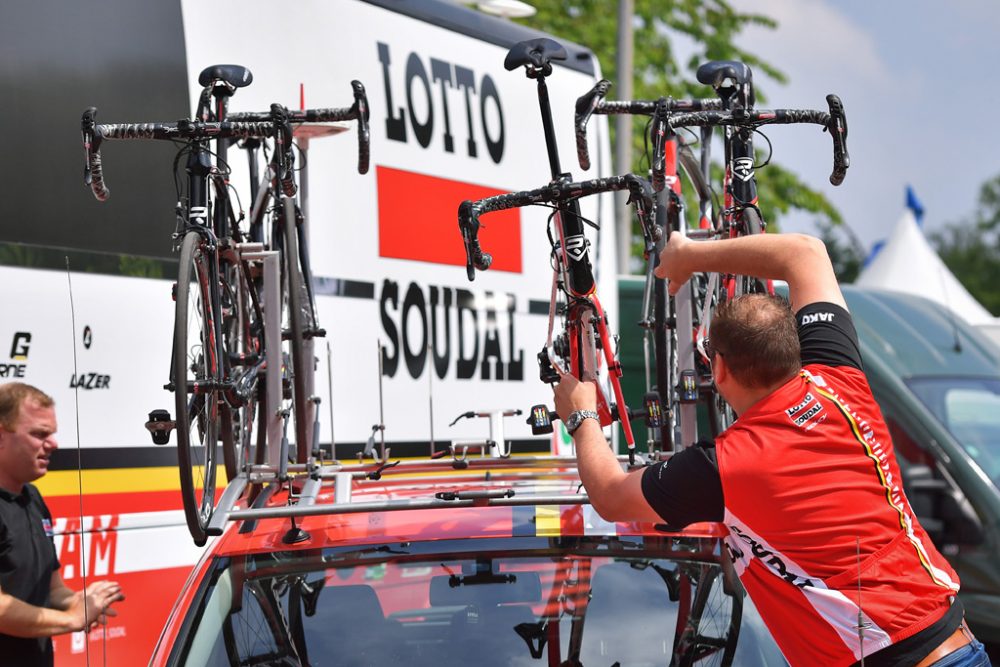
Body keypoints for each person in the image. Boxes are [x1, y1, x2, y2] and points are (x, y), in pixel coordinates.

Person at [554, 232, 991, 667]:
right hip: (957, 643)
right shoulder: (839, 381)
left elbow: (610, 498)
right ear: (795, 349)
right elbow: (805, 252)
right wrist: (689, 254)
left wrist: (581, 415)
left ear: (719, 368)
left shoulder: (726, 466)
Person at [0, 382, 125, 667]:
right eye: (39, 434)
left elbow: (52, 589)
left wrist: (80, 601)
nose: (53, 444)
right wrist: (72, 619)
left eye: (52, 434)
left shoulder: (31, 497)